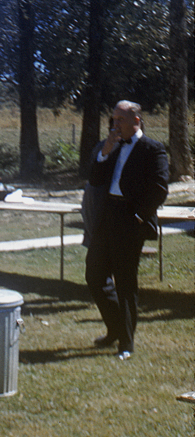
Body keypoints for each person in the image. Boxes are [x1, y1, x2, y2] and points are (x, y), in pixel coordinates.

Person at [85, 100, 169, 361]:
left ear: (136, 121)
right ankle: (115, 328)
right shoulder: (112, 145)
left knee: (125, 282)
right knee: (94, 275)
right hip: (107, 215)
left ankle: (126, 344)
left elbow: (160, 189)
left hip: (131, 219)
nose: (115, 125)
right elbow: (95, 179)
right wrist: (105, 152)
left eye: (120, 120)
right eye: (113, 119)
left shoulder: (152, 149)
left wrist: (139, 218)